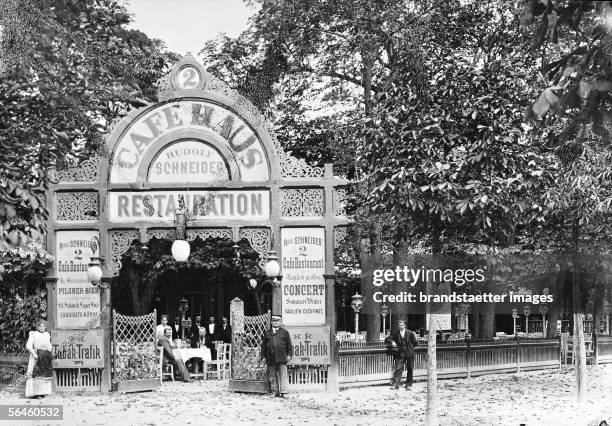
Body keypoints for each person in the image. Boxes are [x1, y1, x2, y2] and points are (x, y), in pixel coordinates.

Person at [260, 314, 293, 397]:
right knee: (272, 374)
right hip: (270, 357)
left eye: (277, 321)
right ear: (271, 322)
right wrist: (263, 356)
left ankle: (284, 392)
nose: (276, 322)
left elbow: (289, 345)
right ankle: (274, 391)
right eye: (274, 321)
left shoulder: (285, 332)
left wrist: (289, 355)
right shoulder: (267, 333)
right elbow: (263, 346)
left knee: (283, 374)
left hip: (282, 357)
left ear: (280, 322)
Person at [385, 319, 418, 390]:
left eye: (402, 325)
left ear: (405, 325)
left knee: (410, 369)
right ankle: (395, 385)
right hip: (400, 354)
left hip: (409, 353)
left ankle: (409, 385)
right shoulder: (395, 333)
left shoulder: (410, 333)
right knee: (398, 368)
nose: (401, 326)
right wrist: (392, 342)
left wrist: (410, 349)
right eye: (400, 325)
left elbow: (415, 343)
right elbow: (387, 339)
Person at [25, 319, 53, 398]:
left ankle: (43, 392)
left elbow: (49, 344)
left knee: (44, 374)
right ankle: (36, 393)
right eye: (40, 326)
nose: (42, 327)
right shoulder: (34, 334)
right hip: (37, 356)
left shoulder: (47, 334)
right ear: (37, 327)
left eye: (43, 326)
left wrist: (49, 349)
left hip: (45, 356)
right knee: (36, 374)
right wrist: (34, 354)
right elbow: (29, 345)